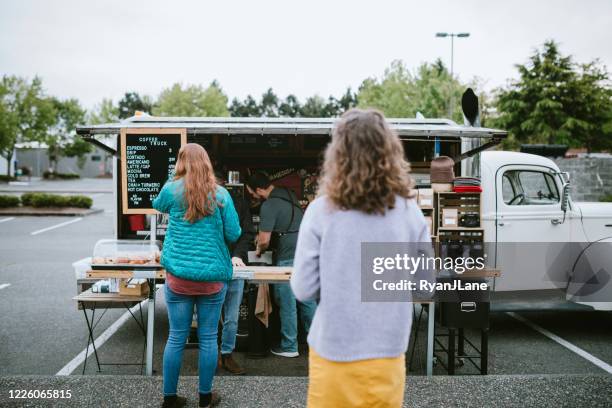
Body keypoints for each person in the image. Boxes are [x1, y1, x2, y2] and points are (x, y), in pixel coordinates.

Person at [291, 109, 434, 407]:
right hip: (387, 352)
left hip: (333, 352)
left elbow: (303, 288)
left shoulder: (320, 212)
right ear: (390, 151)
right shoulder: (410, 213)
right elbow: (425, 287)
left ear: (338, 155)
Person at [153, 143, 241, 408]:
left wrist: (175, 176)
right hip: (212, 281)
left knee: (176, 336)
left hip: (178, 278)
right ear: (207, 163)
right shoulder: (221, 195)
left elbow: (158, 206)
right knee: (207, 338)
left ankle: (170, 398)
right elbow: (234, 234)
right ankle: (205, 397)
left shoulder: (171, 190)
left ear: (180, 163)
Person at [246, 172, 317, 358]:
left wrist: (259, 249)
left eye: (252, 193)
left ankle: (289, 346)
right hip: (306, 251)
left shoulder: (269, 205)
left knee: (287, 301)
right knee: (307, 300)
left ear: (259, 190)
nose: (252, 197)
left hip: (288, 255)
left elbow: (264, 241)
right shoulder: (288, 194)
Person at [216, 172, 256, 375]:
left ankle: (227, 354)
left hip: (235, 265)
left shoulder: (239, 203)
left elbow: (247, 232)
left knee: (232, 317)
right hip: (212, 267)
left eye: (221, 184)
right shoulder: (201, 202)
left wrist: (238, 255)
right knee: (210, 317)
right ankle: (212, 355)